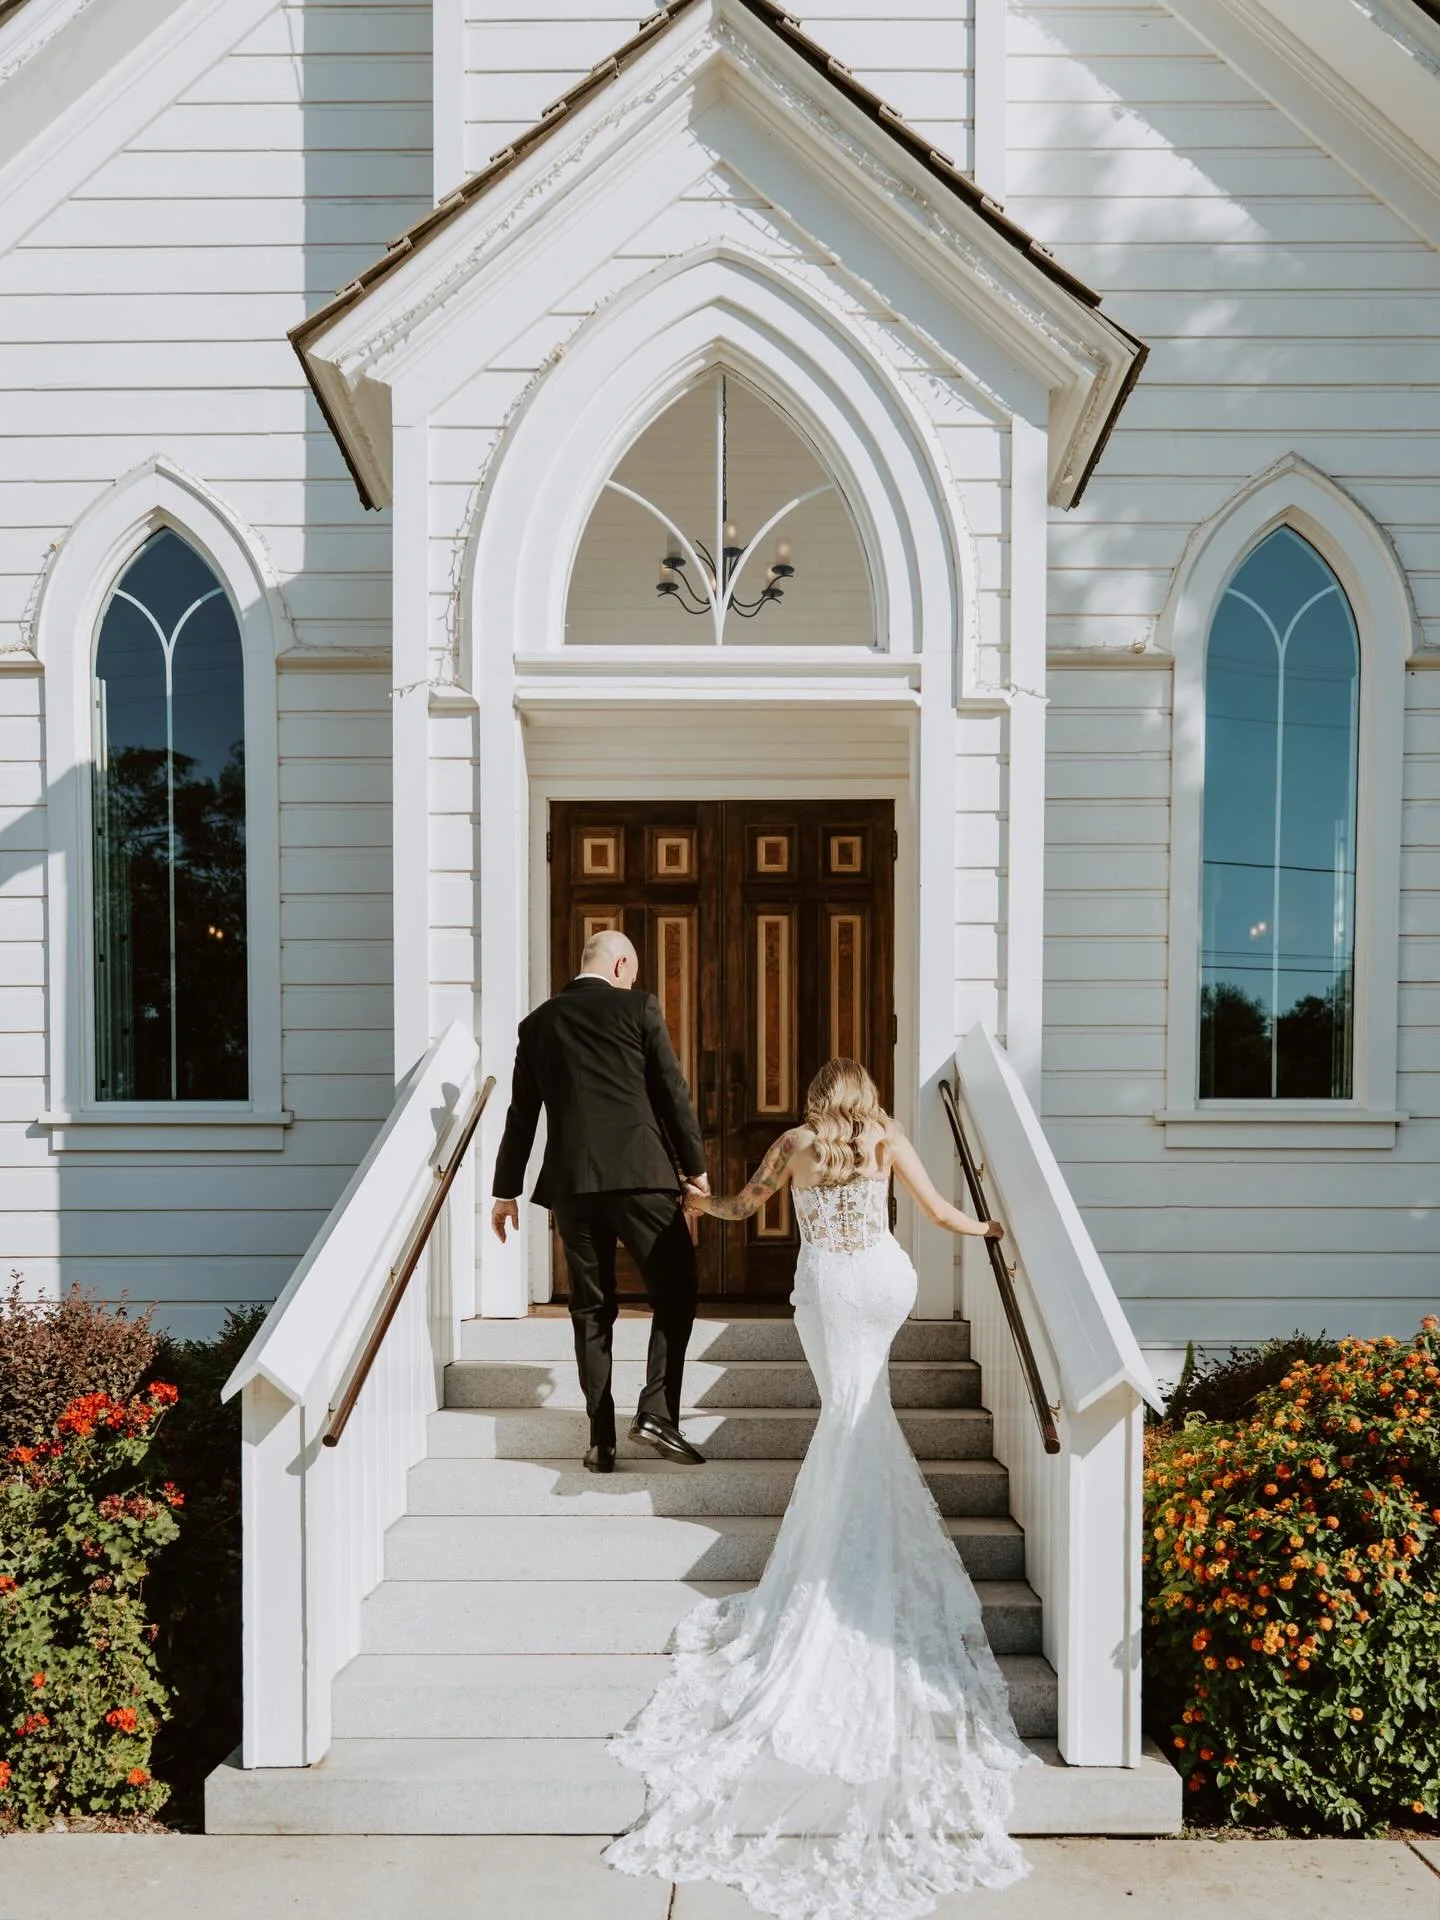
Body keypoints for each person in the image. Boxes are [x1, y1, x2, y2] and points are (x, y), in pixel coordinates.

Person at [604, 1057, 1035, 1919]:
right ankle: (856, 1532)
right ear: (867, 1097)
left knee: (845, 1409)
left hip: (833, 1291)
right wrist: (990, 1229)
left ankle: (834, 1547)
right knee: (862, 1409)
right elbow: (942, 1213)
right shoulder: (888, 1139)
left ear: (814, 1099)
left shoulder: (794, 1144)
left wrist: (695, 1203)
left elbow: (741, 1205)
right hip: (884, 1283)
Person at [490, 929, 710, 1474]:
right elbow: (670, 1092)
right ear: (619, 966)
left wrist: (505, 1191)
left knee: (591, 1308)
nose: (631, 981)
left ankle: (601, 1440)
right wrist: (697, 1172)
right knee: (676, 1290)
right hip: (641, 1177)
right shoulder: (637, 1009)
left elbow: (522, 1114)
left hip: (571, 1186)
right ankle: (657, 1412)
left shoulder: (537, 1024)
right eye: (631, 972)